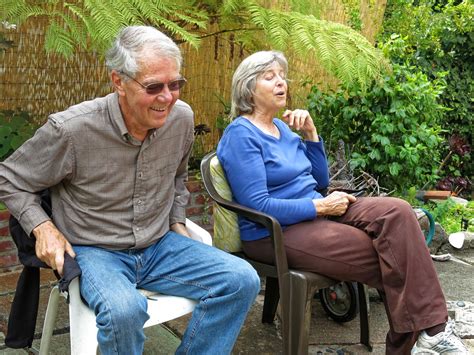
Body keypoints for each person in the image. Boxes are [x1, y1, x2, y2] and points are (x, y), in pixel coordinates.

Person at [0, 26, 260, 355]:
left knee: (241, 280)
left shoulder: (181, 120)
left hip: (159, 245)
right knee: (124, 311)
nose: (167, 97)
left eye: (175, 84)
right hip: (95, 250)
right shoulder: (72, 130)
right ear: (119, 82)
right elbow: (10, 177)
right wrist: (42, 227)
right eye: (154, 87)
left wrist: (177, 221)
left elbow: (178, 177)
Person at [216, 50, 469, 355]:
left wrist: (311, 133)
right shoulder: (241, 135)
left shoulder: (282, 127)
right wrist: (321, 207)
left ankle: (426, 338)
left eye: (282, 75)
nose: (281, 82)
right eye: (269, 77)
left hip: (315, 212)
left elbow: (319, 182)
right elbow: (259, 206)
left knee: (399, 212)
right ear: (247, 88)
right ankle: (427, 337)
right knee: (391, 254)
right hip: (273, 232)